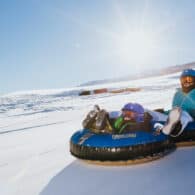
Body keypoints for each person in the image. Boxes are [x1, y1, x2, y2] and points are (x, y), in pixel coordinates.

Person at [156, 69, 195, 136]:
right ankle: (164, 128)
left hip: (191, 118)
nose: (186, 82)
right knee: (156, 114)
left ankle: (176, 128)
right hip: (177, 115)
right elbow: (174, 111)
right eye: (183, 80)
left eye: (189, 79)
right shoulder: (177, 95)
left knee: (183, 115)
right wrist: (162, 112)